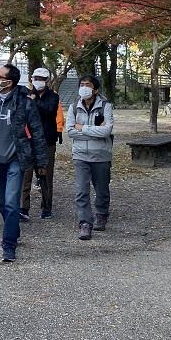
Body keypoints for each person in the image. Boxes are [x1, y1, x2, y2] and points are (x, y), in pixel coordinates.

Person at [0, 63, 48, 262]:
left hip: (16, 159)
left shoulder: (25, 102)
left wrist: (41, 161)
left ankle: (9, 244)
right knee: (2, 203)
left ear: (9, 81)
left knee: (12, 204)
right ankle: (13, 229)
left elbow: (37, 132)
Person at [65, 74, 115, 241]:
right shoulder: (73, 107)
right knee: (81, 191)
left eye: (87, 84)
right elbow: (70, 131)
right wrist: (94, 130)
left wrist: (83, 128)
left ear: (95, 89)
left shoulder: (105, 106)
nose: (84, 87)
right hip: (80, 156)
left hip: (101, 155)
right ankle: (85, 222)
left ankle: (101, 213)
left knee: (101, 188)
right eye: (82, 84)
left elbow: (106, 131)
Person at [21, 68, 64, 220]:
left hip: (47, 141)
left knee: (45, 175)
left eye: (41, 78)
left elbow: (49, 110)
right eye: (35, 78)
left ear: (47, 81)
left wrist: (35, 101)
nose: (37, 81)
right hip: (28, 141)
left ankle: (46, 207)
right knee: (25, 176)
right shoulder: (25, 94)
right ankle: (23, 208)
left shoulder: (53, 96)